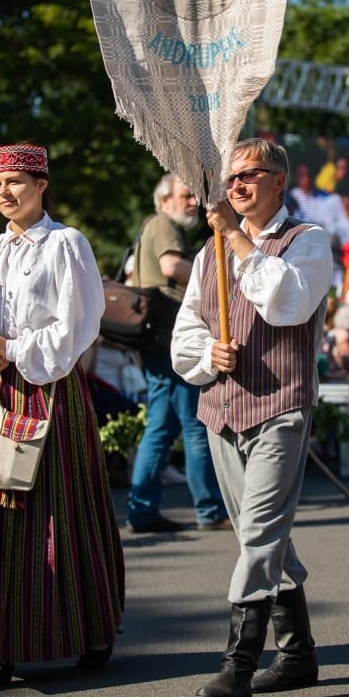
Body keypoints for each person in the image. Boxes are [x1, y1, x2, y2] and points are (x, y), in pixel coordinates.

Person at [0, 142, 124, 694]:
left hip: (49, 392)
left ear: (42, 185)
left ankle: (90, 626)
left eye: (17, 183)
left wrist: (15, 346)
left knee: (58, 508)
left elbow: (80, 325)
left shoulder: (65, 244)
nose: (6, 194)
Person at [172, 138, 333, 697]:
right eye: (230, 178)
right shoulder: (206, 253)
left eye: (248, 175)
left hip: (282, 406)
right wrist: (205, 354)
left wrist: (240, 240)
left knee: (261, 529)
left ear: (279, 181)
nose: (235, 186)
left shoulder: (308, 241)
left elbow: (287, 304)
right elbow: (188, 326)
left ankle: (237, 667)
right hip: (221, 409)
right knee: (260, 536)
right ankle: (297, 654)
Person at [127, 174, 228, 532]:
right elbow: (171, 266)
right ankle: (210, 509)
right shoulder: (163, 225)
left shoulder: (151, 226)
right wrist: (216, 277)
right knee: (195, 424)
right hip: (170, 340)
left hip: (156, 341)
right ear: (164, 200)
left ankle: (142, 511)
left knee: (161, 425)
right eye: (185, 195)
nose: (192, 202)